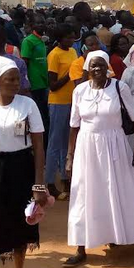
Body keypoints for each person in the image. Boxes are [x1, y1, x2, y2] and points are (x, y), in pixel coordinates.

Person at [61, 51, 134, 268]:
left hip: (115, 146)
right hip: (86, 147)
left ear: (107, 66)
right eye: (93, 66)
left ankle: (114, 234)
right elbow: (74, 126)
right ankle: (81, 247)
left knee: (112, 190)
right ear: (87, 69)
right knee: (84, 193)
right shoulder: (80, 91)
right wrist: (70, 156)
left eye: (101, 65)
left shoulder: (120, 88)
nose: (97, 69)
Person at [0, 56, 48, 268]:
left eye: (18, 79)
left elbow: (38, 146)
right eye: (11, 79)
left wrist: (39, 184)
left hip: (21, 168)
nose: (17, 83)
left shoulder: (28, 105)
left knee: (19, 224)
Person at [46, 24, 78, 199]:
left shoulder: (73, 52)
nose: (72, 40)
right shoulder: (54, 55)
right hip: (58, 102)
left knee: (67, 143)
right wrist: (69, 74)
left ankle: (65, 177)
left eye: (73, 37)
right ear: (60, 38)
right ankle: (50, 181)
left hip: (72, 101)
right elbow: (53, 85)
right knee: (54, 143)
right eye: (68, 38)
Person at [21, 13, 50, 144]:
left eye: (42, 22)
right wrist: (25, 83)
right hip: (34, 83)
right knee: (39, 116)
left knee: (44, 114)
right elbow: (24, 63)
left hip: (44, 82)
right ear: (32, 25)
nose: (41, 25)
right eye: (38, 23)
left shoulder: (41, 40)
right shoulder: (28, 41)